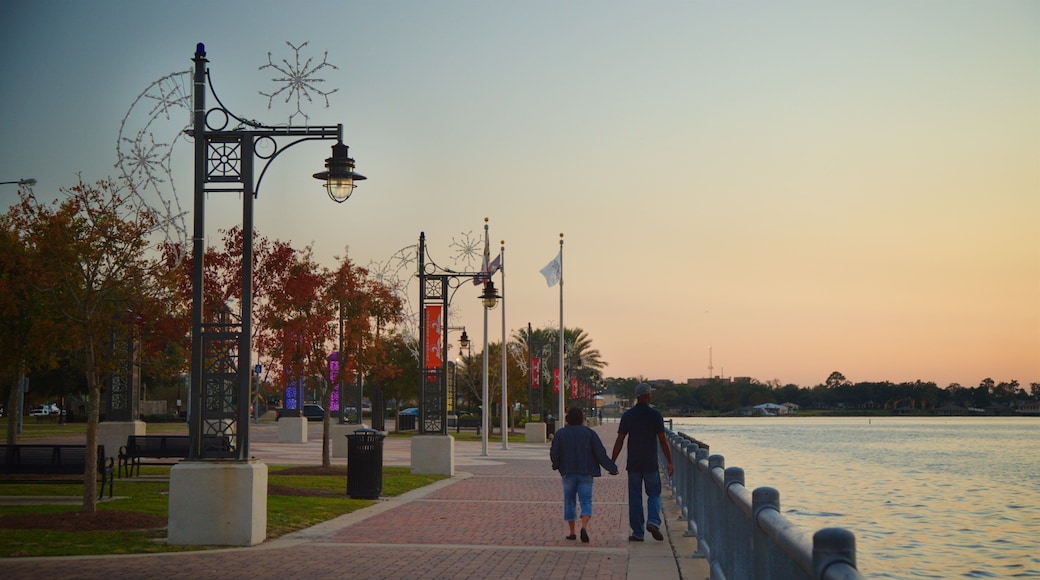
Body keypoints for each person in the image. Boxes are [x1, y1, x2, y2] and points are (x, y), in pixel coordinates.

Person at [611, 383, 673, 542]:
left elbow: (620, 440)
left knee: (635, 497)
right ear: (647, 396)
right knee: (654, 493)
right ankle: (653, 521)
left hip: (634, 463)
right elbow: (663, 440)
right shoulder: (655, 415)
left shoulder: (628, 415)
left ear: (637, 396)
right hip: (650, 462)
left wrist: (612, 461)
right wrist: (669, 461)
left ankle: (638, 532)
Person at [550, 407, 619, 543]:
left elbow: (554, 452)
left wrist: (556, 465)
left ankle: (572, 532)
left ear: (567, 418)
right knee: (586, 501)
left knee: (569, 501)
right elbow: (600, 453)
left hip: (568, 472)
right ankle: (584, 527)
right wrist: (611, 468)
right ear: (582, 418)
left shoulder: (561, 433)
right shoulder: (589, 433)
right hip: (586, 472)